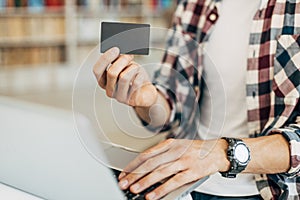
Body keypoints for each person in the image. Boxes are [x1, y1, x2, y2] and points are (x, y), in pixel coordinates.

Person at [93, 0, 300, 199]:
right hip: (181, 180)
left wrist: (220, 153)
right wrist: (149, 100)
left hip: (269, 190)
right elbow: (170, 108)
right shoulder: (193, 4)